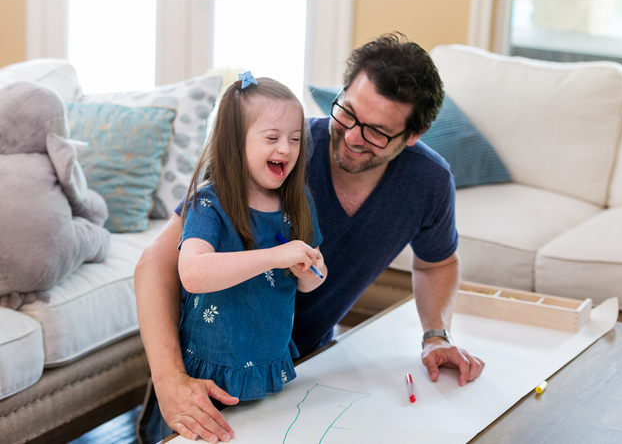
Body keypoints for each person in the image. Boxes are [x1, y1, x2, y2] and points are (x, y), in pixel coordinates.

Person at [135, 34, 484, 444]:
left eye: (377, 132)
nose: (353, 136)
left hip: (300, 369)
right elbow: (155, 264)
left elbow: (437, 262)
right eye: (348, 112)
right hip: (210, 365)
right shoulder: (279, 149)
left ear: (413, 135)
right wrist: (170, 379)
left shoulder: (429, 181)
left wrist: (436, 335)